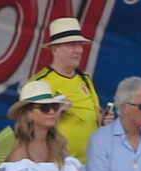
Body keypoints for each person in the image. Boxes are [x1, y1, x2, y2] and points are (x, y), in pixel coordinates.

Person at [30, 16, 103, 161]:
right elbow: (28, 127)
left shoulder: (85, 79)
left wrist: (104, 119)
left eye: (80, 45)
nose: (79, 51)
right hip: (57, 165)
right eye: (72, 45)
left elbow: (97, 115)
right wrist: (57, 113)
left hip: (92, 163)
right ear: (55, 49)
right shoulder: (40, 83)